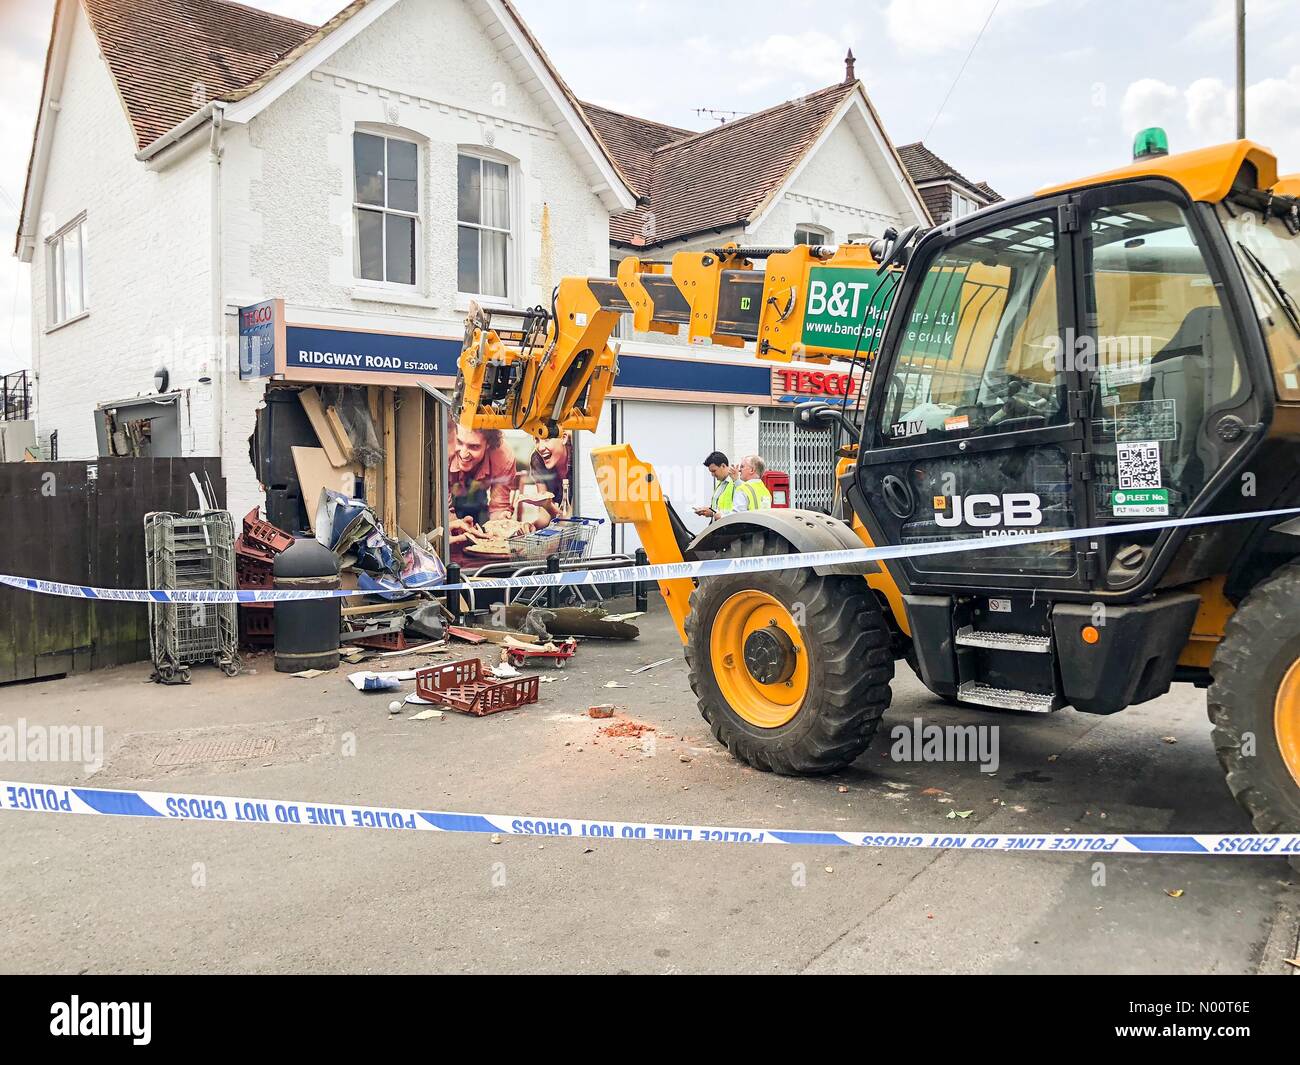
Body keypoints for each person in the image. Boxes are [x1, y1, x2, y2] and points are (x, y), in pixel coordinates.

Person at [448, 425, 517, 552]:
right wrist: (454, 524)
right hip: (451, 493)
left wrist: (501, 523)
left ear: (489, 444)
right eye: (459, 442)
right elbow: (442, 509)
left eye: (474, 446)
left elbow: (499, 507)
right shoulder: (445, 448)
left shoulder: (503, 457)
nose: (463, 453)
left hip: (479, 496)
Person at [695, 451, 738, 521]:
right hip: (718, 527)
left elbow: (738, 511)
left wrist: (712, 513)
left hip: (728, 527)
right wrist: (708, 511)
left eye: (714, 471)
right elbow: (718, 508)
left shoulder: (735, 484)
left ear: (723, 466)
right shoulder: (720, 483)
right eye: (711, 472)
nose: (712, 475)